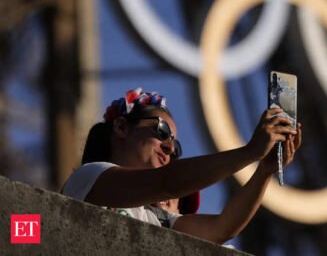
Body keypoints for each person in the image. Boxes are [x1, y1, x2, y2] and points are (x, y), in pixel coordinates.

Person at [61, 87, 302, 244]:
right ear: (121, 128)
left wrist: (264, 170)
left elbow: (222, 228)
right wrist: (250, 152)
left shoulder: (158, 219)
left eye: (176, 148)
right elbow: (168, 183)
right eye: (161, 131)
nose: (169, 147)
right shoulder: (88, 177)